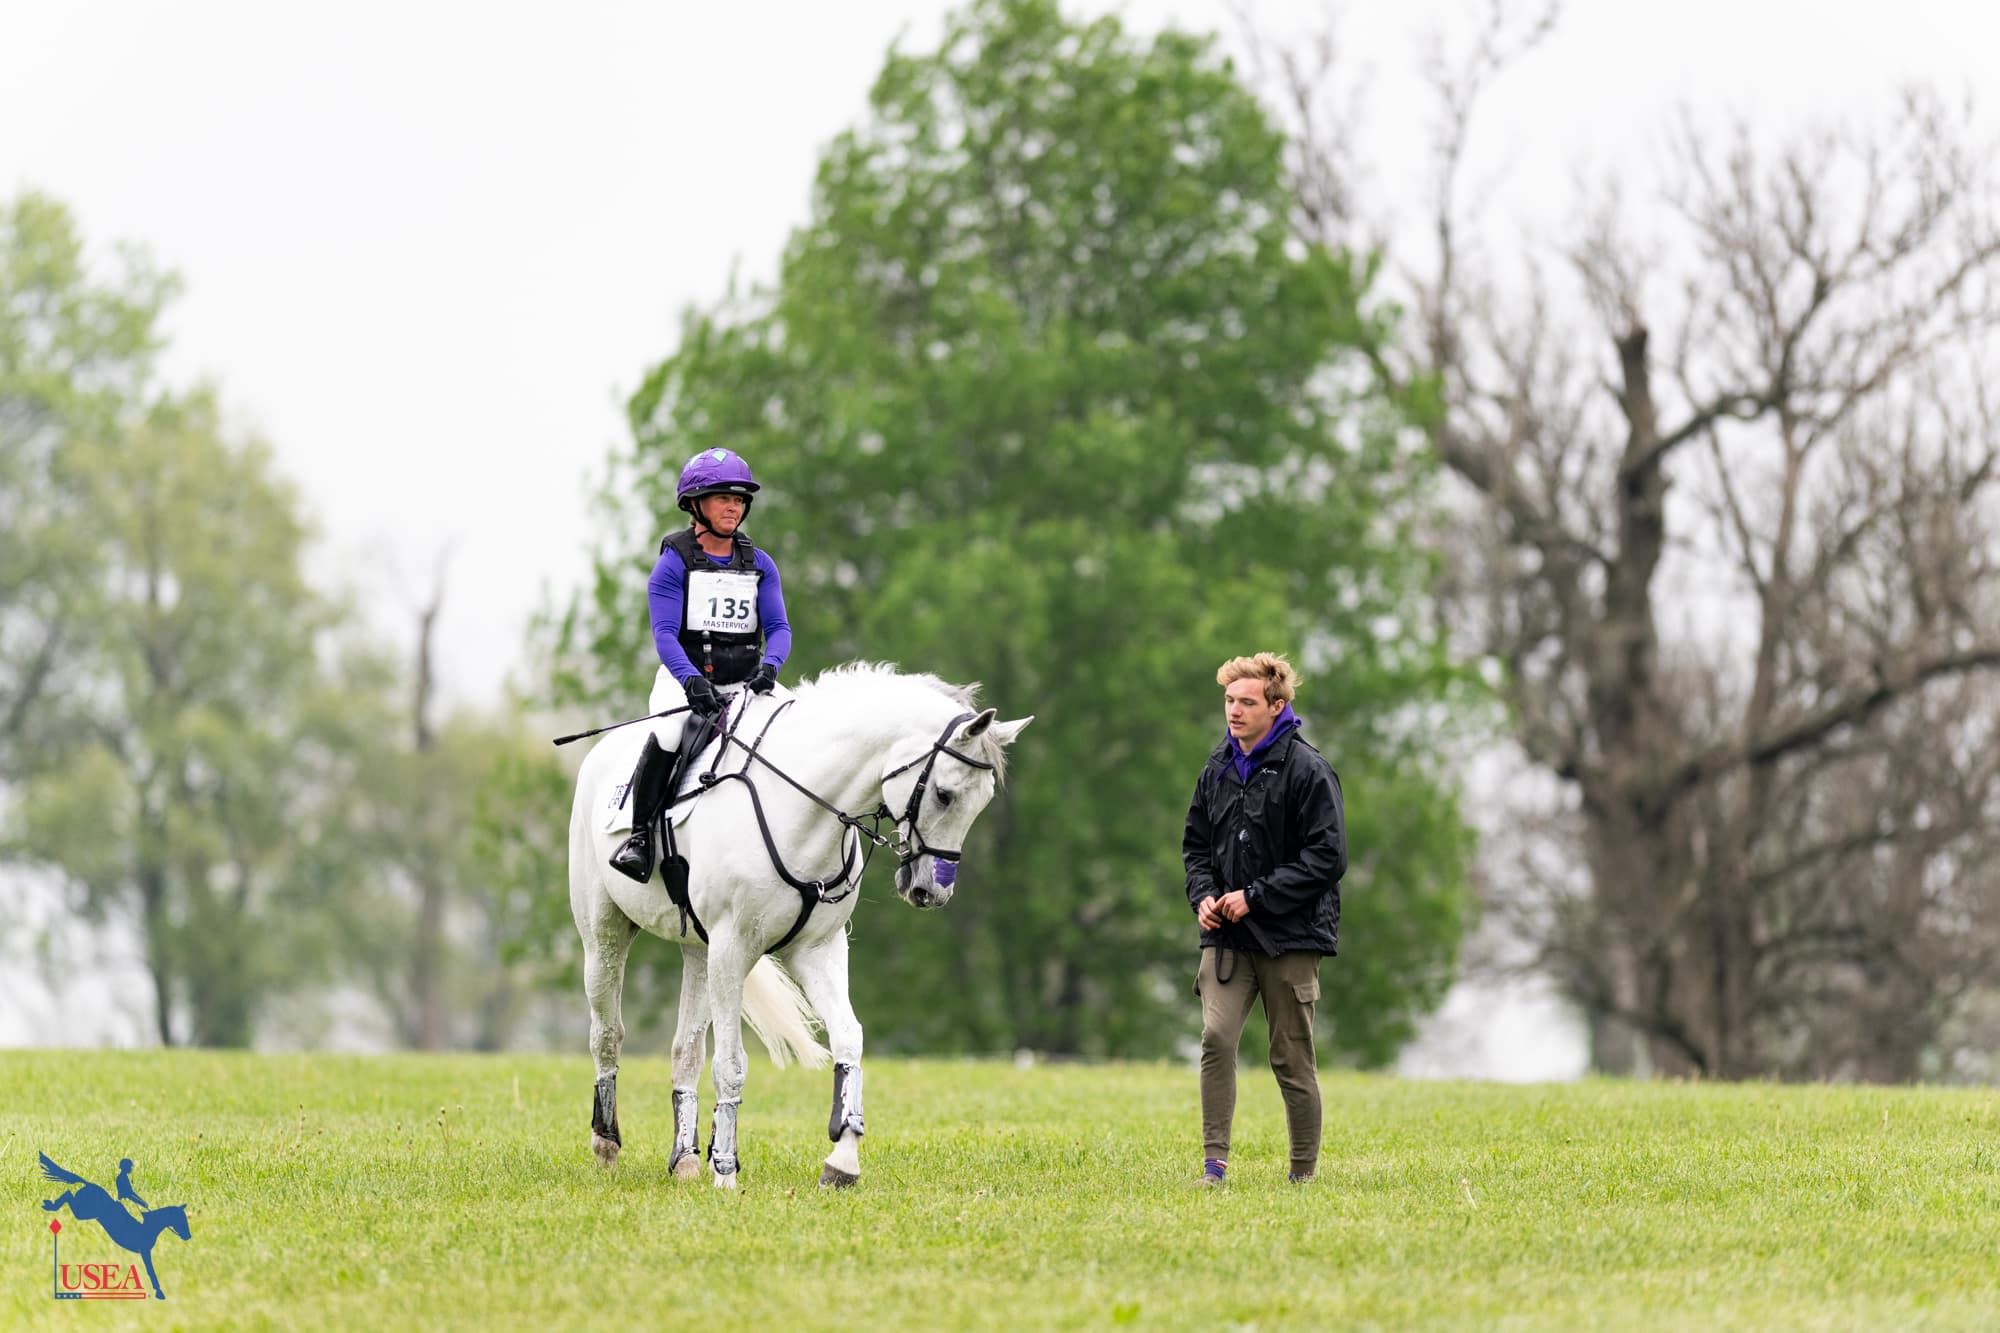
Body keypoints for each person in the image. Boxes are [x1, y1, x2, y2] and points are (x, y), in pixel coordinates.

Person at [1182, 651, 1345, 1186]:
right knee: (1216, 1039)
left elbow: (1328, 858)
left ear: (1276, 707)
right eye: (1229, 700)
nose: (1233, 711)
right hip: (1226, 940)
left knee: (1290, 1057)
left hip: (1290, 938)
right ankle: (1214, 1167)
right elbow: (1196, 848)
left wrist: (1257, 896)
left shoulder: (1309, 770)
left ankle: (1302, 1174)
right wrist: (1204, 895)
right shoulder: (1217, 769)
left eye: (1246, 702)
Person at [609, 447, 794, 882]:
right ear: (695, 505)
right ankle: (638, 837)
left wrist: (771, 666)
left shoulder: (760, 564)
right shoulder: (673, 563)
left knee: (792, 722)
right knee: (670, 732)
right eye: (722, 497)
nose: (733, 506)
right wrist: (691, 681)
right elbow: (664, 636)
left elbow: (780, 628)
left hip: (747, 682)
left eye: (739, 499)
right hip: (685, 677)